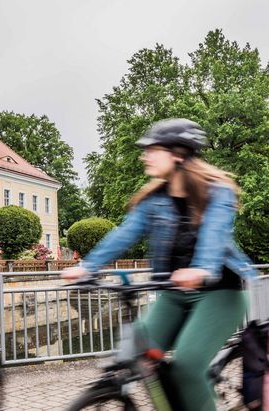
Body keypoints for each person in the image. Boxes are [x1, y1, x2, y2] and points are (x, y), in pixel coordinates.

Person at [62, 118, 257, 411]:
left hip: (220, 292)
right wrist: (87, 266)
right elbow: (123, 234)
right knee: (136, 355)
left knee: (188, 366)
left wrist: (201, 268)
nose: (145, 155)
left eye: (153, 150)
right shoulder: (153, 201)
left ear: (179, 153)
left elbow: (214, 234)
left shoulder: (217, 192)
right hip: (173, 292)